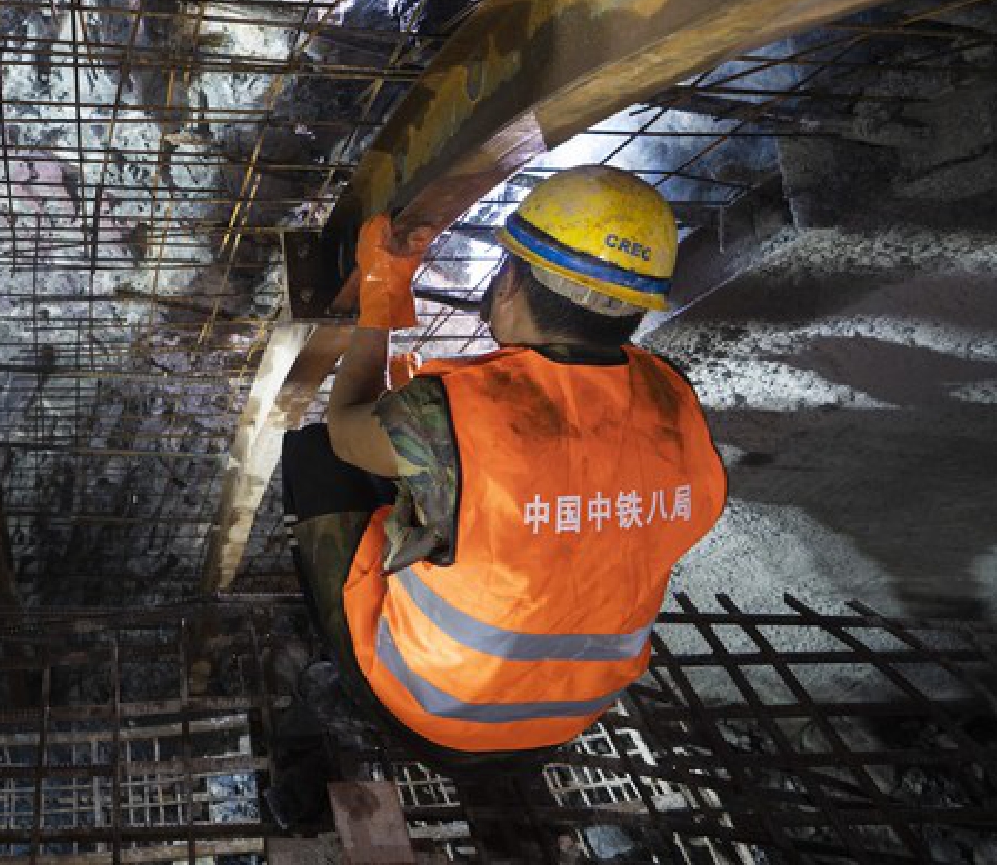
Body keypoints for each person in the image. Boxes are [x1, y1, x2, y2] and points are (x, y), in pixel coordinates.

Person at [275, 165, 726, 835]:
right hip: (569, 717)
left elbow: (347, 426)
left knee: (315, 453)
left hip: (427, 708)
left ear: (511, 282)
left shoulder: (452, 415)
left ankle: (335, 655)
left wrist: (380, 300)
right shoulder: (672, 400)